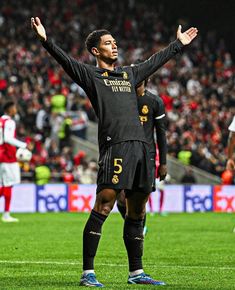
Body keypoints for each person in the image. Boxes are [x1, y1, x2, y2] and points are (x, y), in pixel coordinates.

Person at [31, 17, 198, 287]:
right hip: (116, 146)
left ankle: (136, 273)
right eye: (108, 44)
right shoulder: (92, 76)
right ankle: (88, 273)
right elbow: (66, 62)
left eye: (115, 42)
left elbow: (155, 61)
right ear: (96, 51)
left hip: (142, 149)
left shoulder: (129, 74)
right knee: (105, 203)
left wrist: (178, 44)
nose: (114, 46)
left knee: (137, 212)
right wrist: (45, 41)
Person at [116, 78, 167, 234]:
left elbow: (161, 134)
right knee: (121, 198)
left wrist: (163, 163)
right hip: (125, 154)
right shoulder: (123, 100)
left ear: (146, 79)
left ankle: (138, 229)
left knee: (139, 200)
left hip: (147, 157)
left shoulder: (154, 101)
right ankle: (136, 226)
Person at [0, 101, 31, 222]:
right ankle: (6, 215)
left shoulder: (1, 120)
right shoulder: (9, 122)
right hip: (7, 154)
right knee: (8, 184)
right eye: (14, 107)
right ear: (10, 109)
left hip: (2, 153)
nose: (15, 109)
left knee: (6, 184)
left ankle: (7, 214)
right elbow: (8, 138)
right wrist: (23, 145)